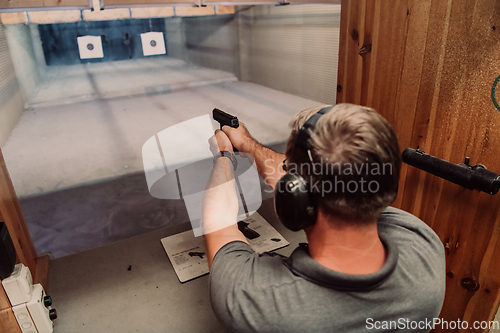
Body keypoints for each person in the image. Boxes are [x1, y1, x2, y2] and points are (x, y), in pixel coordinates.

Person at [202, 103, 446, 332]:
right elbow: (335, 181)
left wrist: (224, 156)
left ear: (295, 196)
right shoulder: (422, 246)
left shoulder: (255, 301)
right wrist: (247, 143)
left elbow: (220, 226)